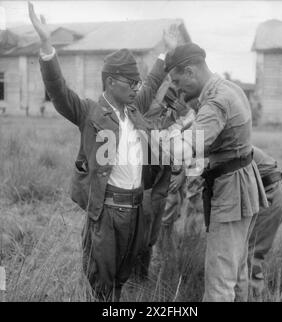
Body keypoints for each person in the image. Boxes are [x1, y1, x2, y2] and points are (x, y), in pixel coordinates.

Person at [28, 2, 178, 301]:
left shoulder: (135, 108)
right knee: (103, 283)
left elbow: (151, 82)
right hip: (108, 213)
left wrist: (166, 51)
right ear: (110, 81)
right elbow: (58, 91)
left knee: (123, 275)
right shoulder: (89, 113)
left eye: (137, 82)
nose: (137, 87)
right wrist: (47, 45)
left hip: (137, 209)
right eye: (130, 82)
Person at [163, 42, 268, 301]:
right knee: (236, 273)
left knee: (219, 283)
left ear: (190, 72)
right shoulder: (228, 88)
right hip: (240, 185)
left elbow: (183, 150)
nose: (177, 89)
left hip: (231, 191)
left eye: (177, 82)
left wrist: (167, 135)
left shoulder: (216, 102)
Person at [248, 146, 282, 297]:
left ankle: (255, 296)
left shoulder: (209, 140)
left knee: (250, 255)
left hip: (270, 195)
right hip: (267, 192)